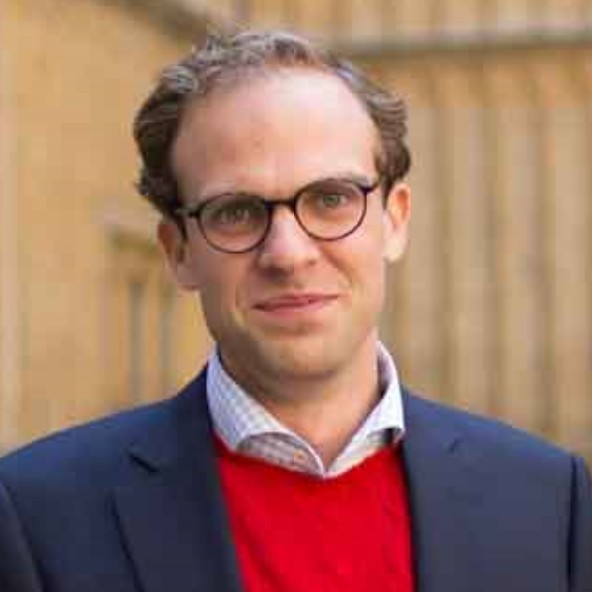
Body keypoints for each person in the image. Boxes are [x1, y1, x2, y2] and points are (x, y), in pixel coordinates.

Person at [0, 29, 591, 592]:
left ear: (394, 221)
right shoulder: (40, 517)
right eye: (236, 212)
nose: (288, 254)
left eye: (331, 199)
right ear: (178, 251)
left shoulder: (547, 504)